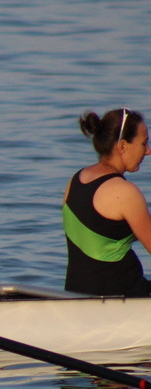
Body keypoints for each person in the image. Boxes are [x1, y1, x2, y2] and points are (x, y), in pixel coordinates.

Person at [63, 108, 151, 296]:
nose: (148, 151)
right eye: (144, 143)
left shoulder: (75, 180)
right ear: (122, 146)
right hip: (123, 297)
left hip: (74, 295)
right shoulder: (124, 192)